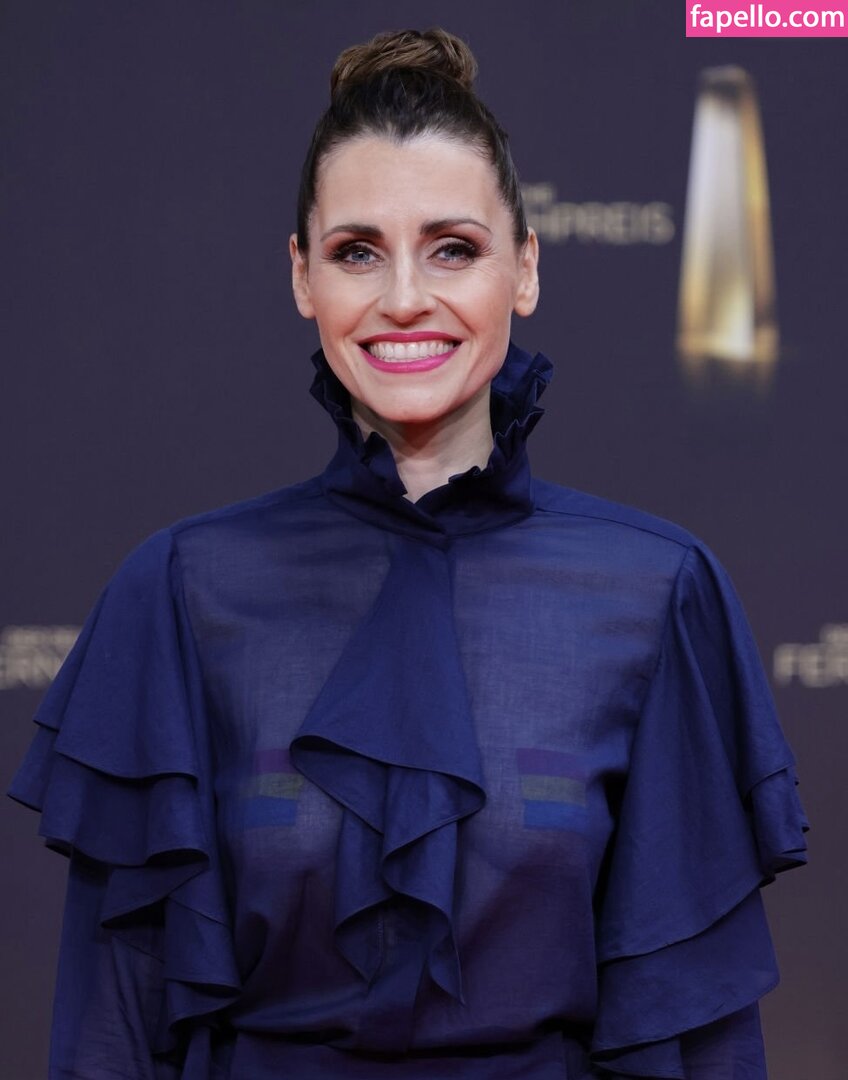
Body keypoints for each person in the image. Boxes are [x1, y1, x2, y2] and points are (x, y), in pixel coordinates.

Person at [10, 26, 807, 1080]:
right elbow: (112, 1026)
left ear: (525, 268)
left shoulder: (657, 591)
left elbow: (694, 1033)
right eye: (356, 251)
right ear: (302, 277)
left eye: (452, 248)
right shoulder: (180, 590)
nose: (401, 299)